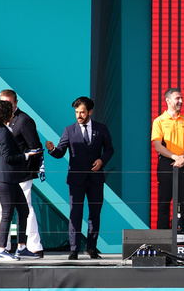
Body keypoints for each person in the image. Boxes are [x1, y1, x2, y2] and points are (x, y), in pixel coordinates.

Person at [46, 95, 115, 260]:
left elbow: (109, 150)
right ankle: (74, 249)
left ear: (90, 112)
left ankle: (91, 248)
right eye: (77, 112)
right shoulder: (69, 130)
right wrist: (52, 149)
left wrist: (101, 160)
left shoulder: (101, 128)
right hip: (76, 180)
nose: (79, 115)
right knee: (75, 214)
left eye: (82, 112)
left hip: (96, 178)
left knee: (95, 214)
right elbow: (60, 152)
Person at [0, 99, 40, 260]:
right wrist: (27, 155)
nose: (13, 113)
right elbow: (8, 157)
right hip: (4, 178)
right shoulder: (2, 132)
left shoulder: (4, 129)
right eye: (9, 111)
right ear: (5, 114)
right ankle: (1, 250)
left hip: (11, 178)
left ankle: (21, 247)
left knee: (24, 210)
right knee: (7, 214)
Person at [151, 87, 184, 235]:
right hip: (166, 164)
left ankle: (183, 235)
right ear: (168, 100)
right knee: (164, 201)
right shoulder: (159, 121)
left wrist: (183, 157)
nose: (181, 101)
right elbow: (157, 145)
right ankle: (162, 237)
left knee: (183, 202)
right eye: (177, 98)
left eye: (181, 98)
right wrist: (174, 157)